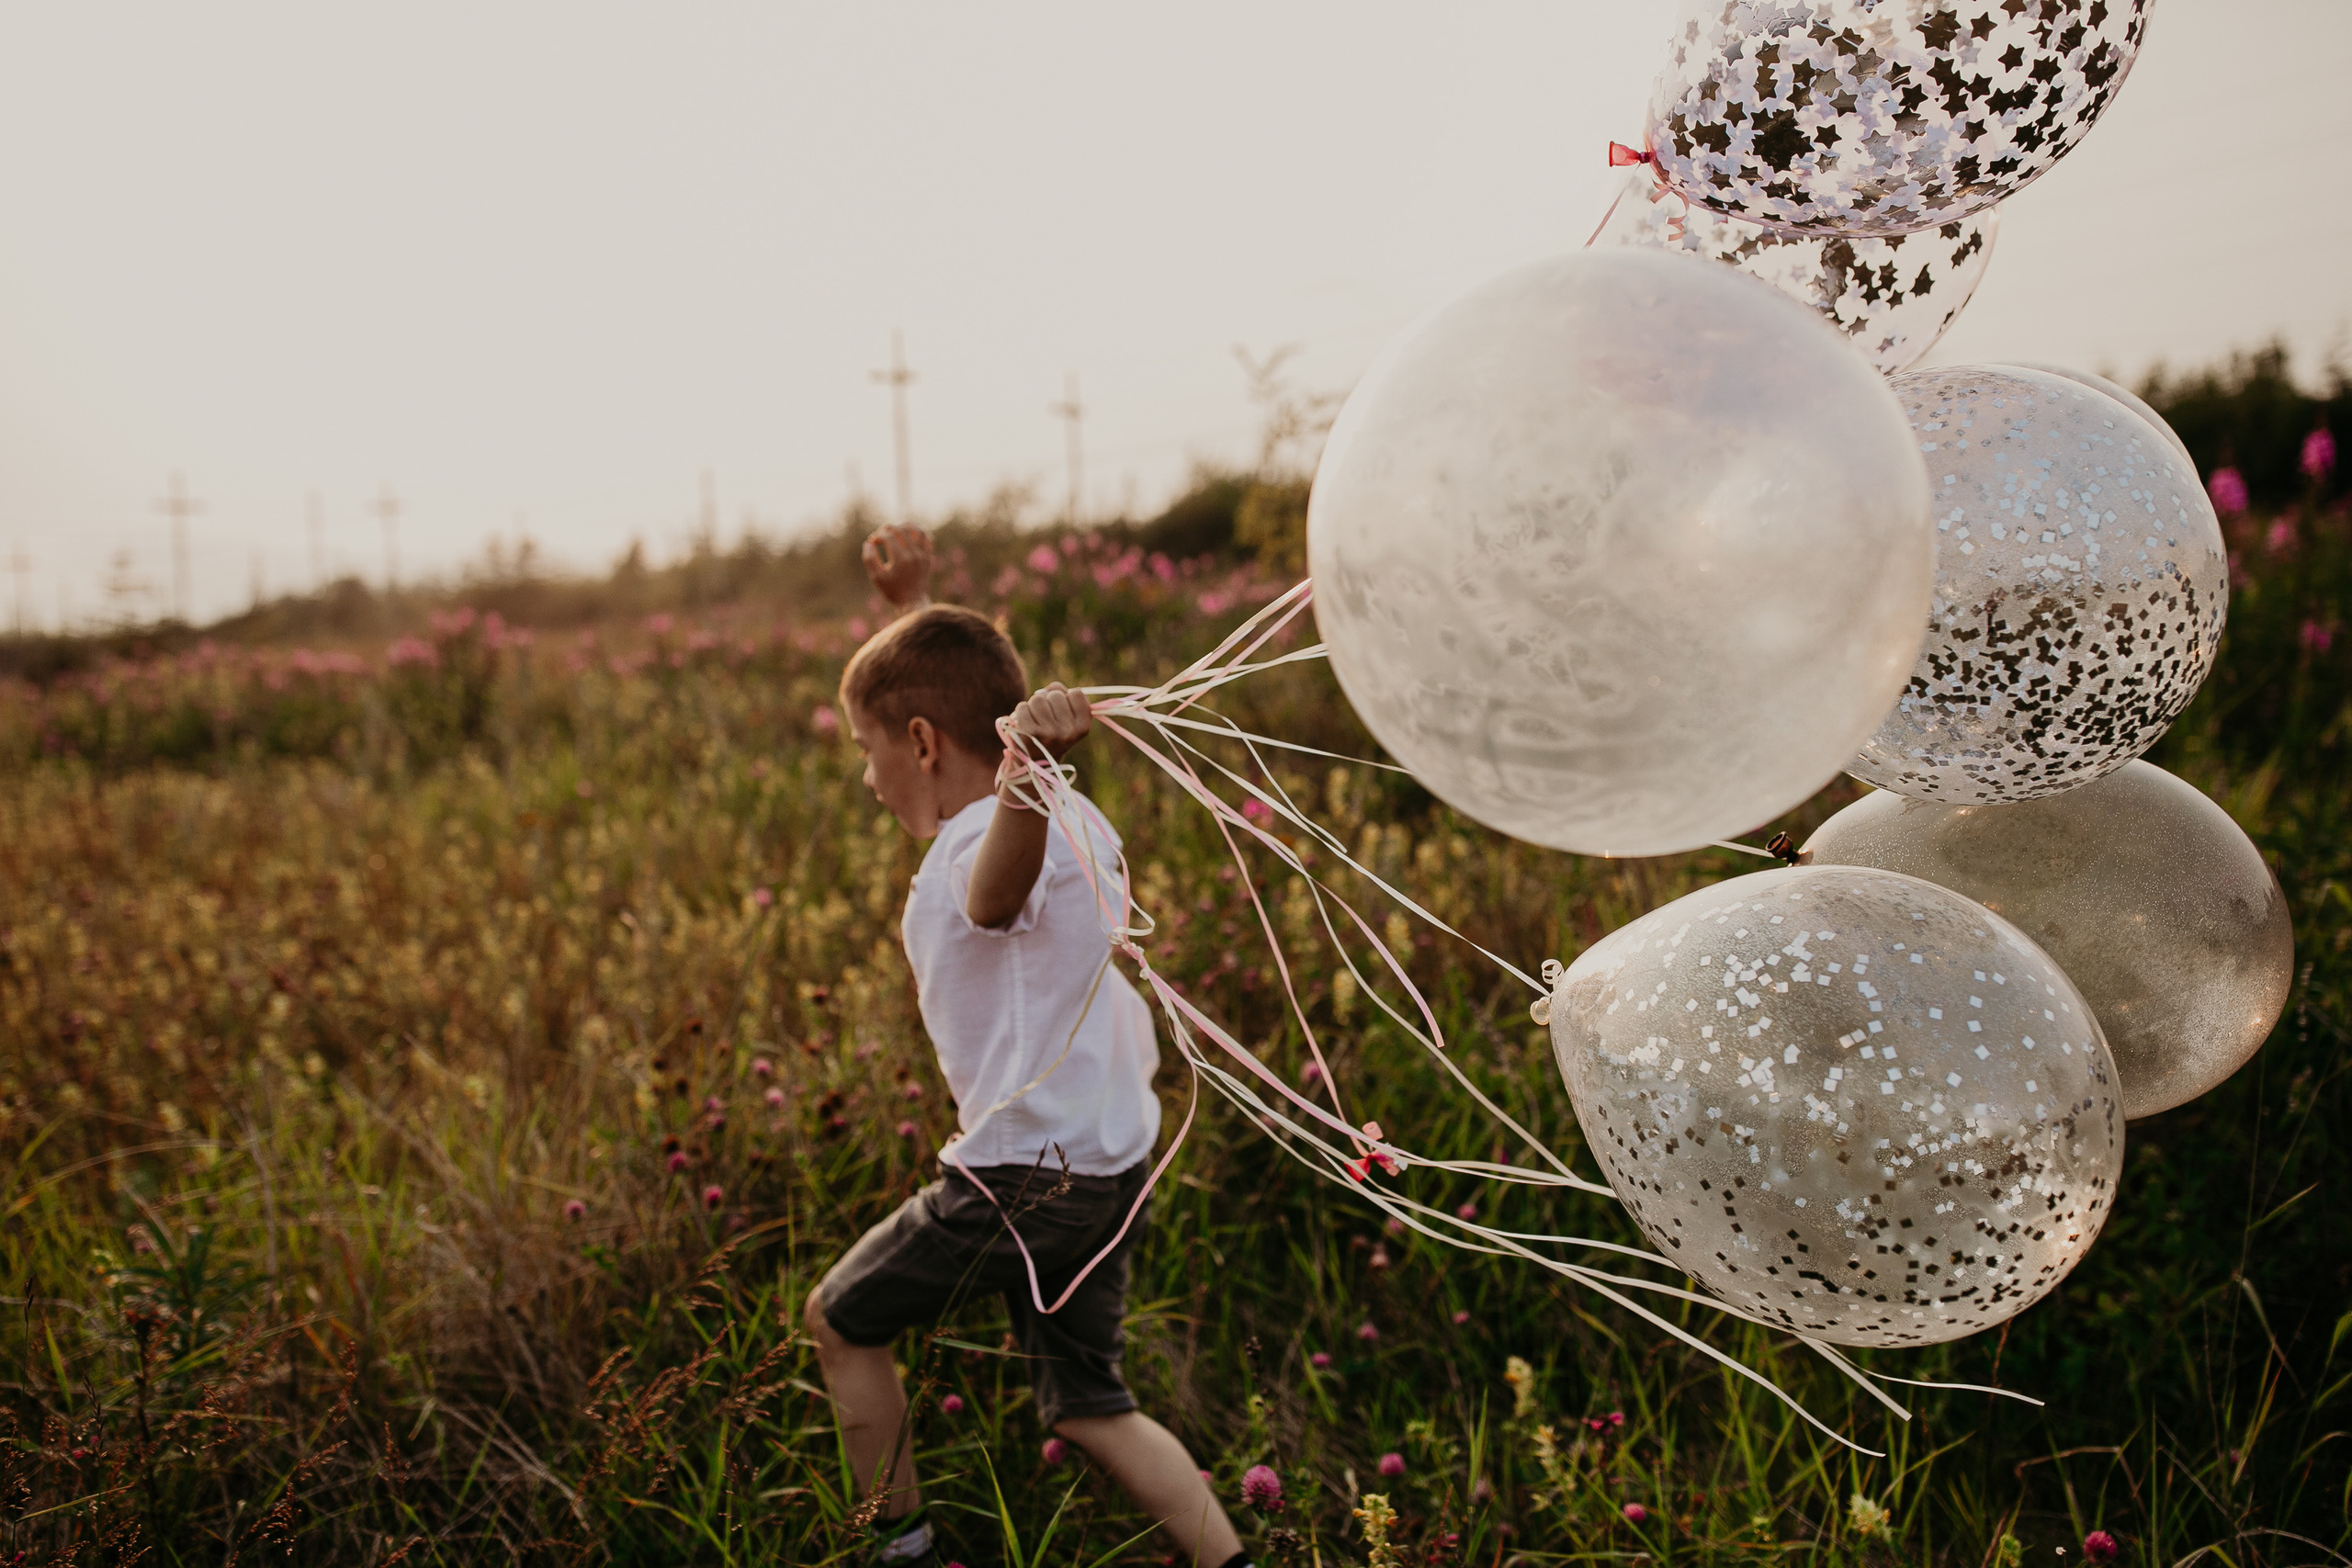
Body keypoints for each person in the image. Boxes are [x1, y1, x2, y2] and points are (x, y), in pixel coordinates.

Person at [807, 524, 1249, 1568]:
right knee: (1088, 1404)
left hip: (1025, 1180)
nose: (867, 778)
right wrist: (912, 607)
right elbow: (952, 695)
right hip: (1106, 1163)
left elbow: (994, 901)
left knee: (840, 1321)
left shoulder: (1000, 830)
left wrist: (1017, 773)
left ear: (919, 745)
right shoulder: (1068, 814)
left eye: (868, 752)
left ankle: (899, 1548)